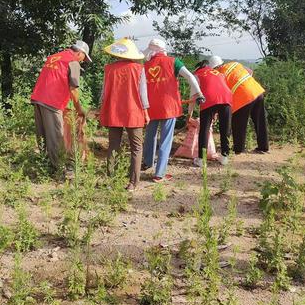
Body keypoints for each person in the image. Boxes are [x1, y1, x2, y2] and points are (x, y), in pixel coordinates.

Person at [142, 39, 204, 183]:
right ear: (163, 50)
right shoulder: (173, 61)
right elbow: (190, 76)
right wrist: (199, 93)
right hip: (168, 107)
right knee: (166, 139)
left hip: (150, 107)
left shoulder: (145, 65)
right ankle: (159, 174)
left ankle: (147, 162)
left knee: (150, 135)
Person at [99, 38, 149, 192]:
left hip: (113, 111)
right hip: (133, 112)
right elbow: (143, 95)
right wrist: (146, 113)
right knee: (136, 148)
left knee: (113, 146)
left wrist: (101, 109)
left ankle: (111, 180)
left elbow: (103, 93)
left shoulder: (109, 69)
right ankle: (132, 183)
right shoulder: (139, 69)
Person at [31, 41, 91, 168]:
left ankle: (44, 164)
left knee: (43, 135)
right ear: (80, 53)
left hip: (38, 98)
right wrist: (79, 110)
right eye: (84, 58)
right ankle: (59, 169)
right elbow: (74, 89)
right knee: (56, 137)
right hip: (52, 101)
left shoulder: (54, 57)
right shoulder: (73, 62)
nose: (82, 61)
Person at [208, 56, 268, 154]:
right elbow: (250, 72)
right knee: (260, 121)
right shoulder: (235, 64)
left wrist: (215, 112)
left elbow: (220, 95)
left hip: (243, 97)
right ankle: (263, 147)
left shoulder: (219, 75)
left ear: (213, 68)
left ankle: (239, 149)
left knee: (238, 123)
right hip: (257, 91)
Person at [189, 60, 232, 167]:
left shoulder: (197, 75)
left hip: (209, 100)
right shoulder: (218, 73)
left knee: (204, 129)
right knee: (225, 128)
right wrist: (216, 112)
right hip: (227, 99)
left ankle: (201, 160)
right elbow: (219, 89)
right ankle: (224, 157)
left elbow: (192, 97)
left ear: (197, 69)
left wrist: (188, 115)